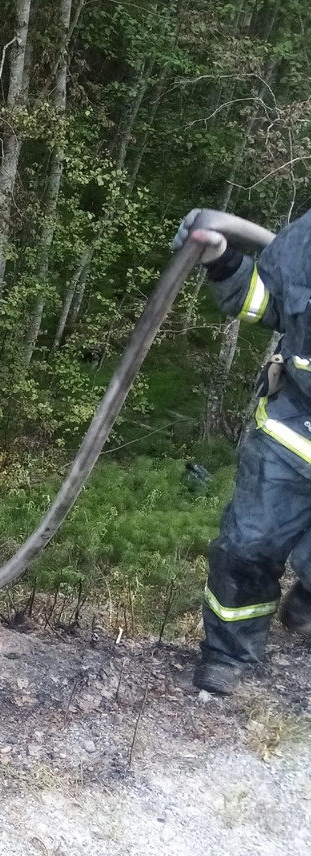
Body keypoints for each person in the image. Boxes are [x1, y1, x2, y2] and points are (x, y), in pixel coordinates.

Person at [175, 208, 311, 695]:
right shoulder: (303, 242)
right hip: (292, 432)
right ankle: (229, 657)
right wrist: (222, 259)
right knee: (246, 549)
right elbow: (265, 301)